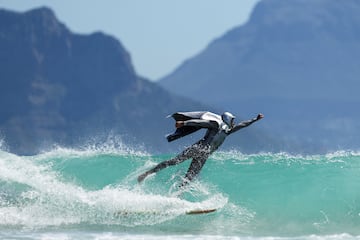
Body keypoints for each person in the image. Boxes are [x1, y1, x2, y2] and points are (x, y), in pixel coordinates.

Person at [138, 111, 264, 186]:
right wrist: (184, 123)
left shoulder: (227, 131)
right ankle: (147, 173)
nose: (234, 122)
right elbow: (200, 123)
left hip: (204, 155)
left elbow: (243, 125)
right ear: (227, 119)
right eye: (232, 120)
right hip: (198, 148)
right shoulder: (216, 125)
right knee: (174, 161)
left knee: (190, 177)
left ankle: (177, 197)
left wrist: (255, 119)